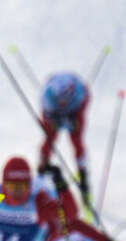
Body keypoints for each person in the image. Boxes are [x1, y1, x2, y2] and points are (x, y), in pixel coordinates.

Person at [38, 72, 92, 206]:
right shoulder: (47, 97)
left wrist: (73, 121)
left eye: (66, 99)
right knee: (49, 140)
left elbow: (85, 104)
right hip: (53, 111)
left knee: (77, 141)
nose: (63, 102)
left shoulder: (80, 94)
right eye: (61, 99)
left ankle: (83, 176)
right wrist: (54, 122)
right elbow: (46, 115)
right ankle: (41, 172)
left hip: (74, 110)